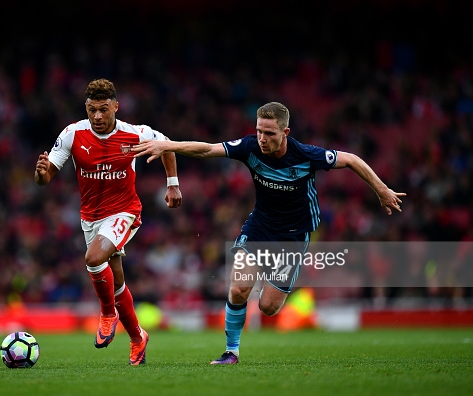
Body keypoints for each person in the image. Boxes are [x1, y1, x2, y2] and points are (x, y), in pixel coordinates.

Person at [133, 101, 405, 364]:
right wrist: (168, 145)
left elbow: (351, 159)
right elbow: (207, 150)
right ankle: (231, 352)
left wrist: (381, 190)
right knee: (239, 288)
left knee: (268, 308)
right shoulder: (250, 147)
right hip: (260, 227)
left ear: (285, 133)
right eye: (259, 131)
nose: (262, 138)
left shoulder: (306, 155)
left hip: (294, 235)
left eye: (269, 133)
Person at [35, 78, 182, 365]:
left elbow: (167, 145)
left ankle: (106, 314)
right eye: (92, 110)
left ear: (116, 106)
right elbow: (46, 176)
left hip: (125, 212)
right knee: (115, 283)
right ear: (86, 108)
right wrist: (40, 174)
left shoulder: (135, 133)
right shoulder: (72, 134)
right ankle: (138, 337)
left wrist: (173, 184)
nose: (98, 116)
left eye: (103, 109)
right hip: (90, 218)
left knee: (93, 258)